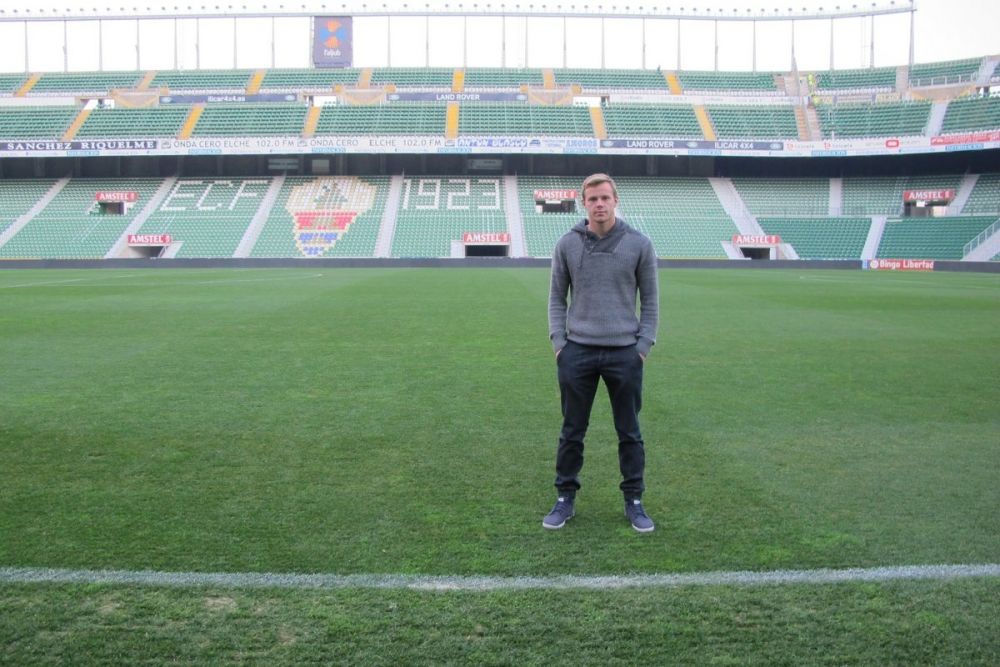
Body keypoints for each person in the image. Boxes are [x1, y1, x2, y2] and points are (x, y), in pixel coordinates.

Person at [543, 173, 660, 533]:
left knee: (629, 431)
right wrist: (559, 343)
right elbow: (556, 298)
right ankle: (565, 498)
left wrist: (642, 346)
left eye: (605, 198)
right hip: (577, 351)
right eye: (592, 198)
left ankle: (634, 500)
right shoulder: (567, 244)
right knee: (572, 430)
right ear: (584, 202)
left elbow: (651, 301)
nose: (599, 204)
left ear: (615, 200)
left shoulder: (639, 244)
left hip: (624, 353)